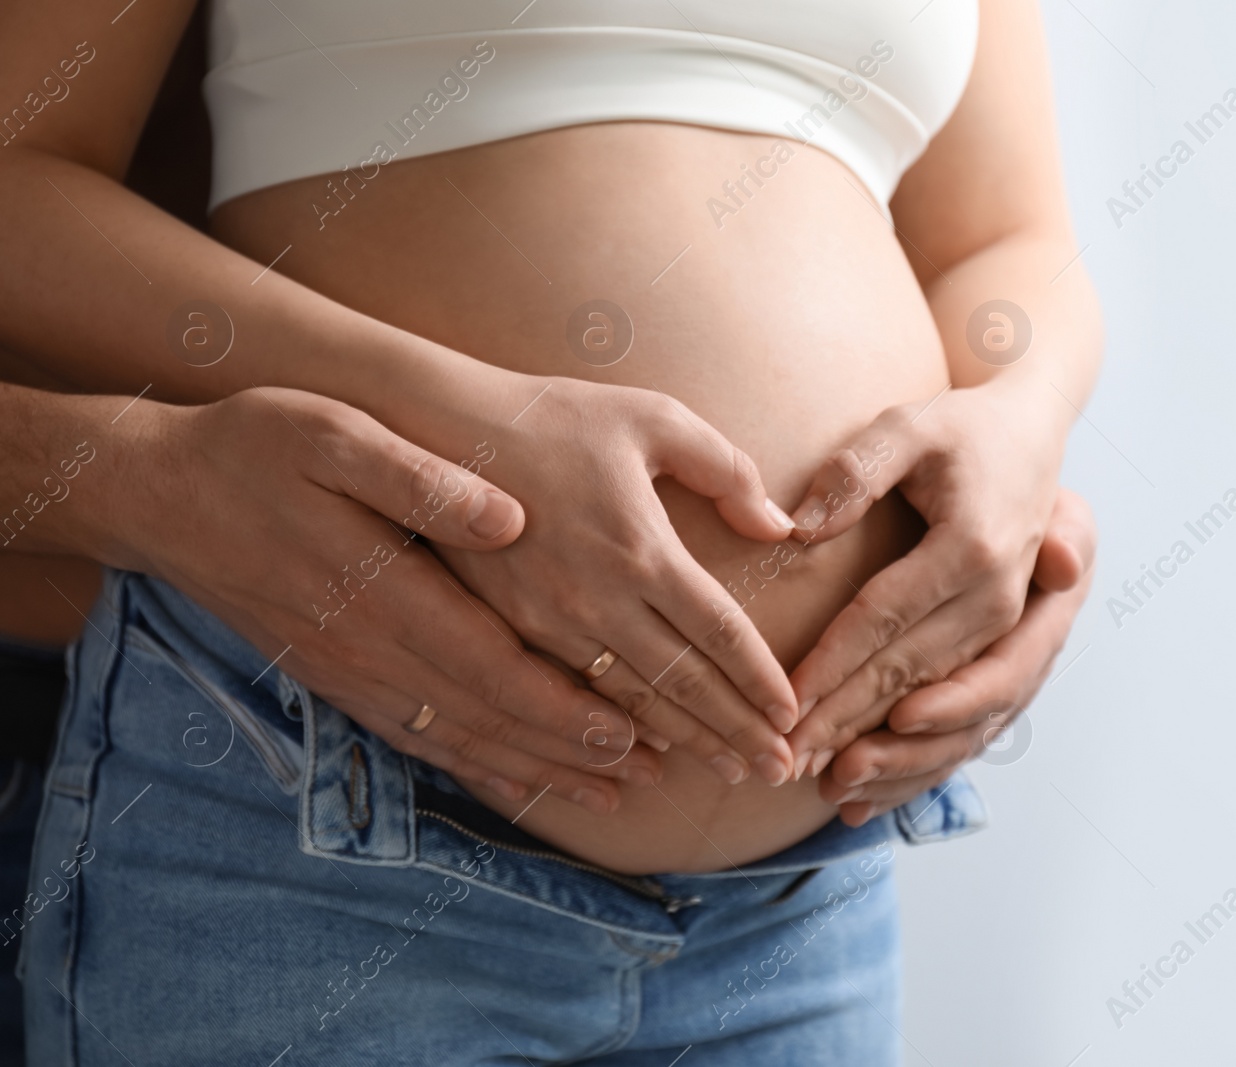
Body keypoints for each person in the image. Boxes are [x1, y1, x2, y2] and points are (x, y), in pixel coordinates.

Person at [0, 0, 1101, 1061]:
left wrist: (1022, 422)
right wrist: (447, 420)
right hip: (322, 809)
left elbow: (1005, 236)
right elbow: (20, 174)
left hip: (805, 894)